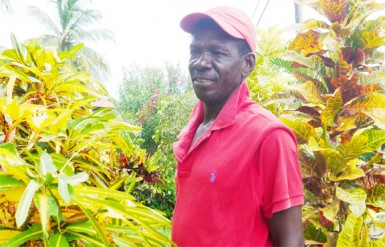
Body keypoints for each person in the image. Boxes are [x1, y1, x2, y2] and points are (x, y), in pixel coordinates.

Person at [172, 6, 304, 247]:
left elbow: (291, 240)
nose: (201, 62)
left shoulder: (268, 136)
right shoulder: (193, 130)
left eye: (216, 52)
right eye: (195, 51)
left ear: (247, 64)